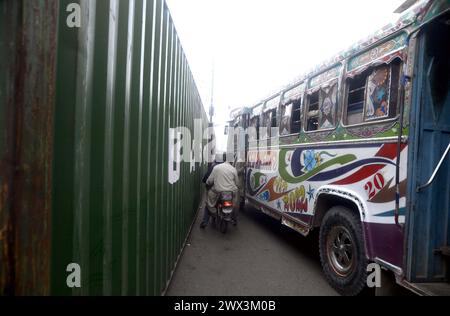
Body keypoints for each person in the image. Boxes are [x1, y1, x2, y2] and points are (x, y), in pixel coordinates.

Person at [200, 152, 240, 229]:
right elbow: (237, 183)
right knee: (235, 204)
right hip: (231, 193)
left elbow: (209, 181)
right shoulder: (233, 169)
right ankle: (234, 219)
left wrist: (208, 184)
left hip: (218, 192)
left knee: (208, 202)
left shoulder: (216, 168)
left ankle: (208, 219)